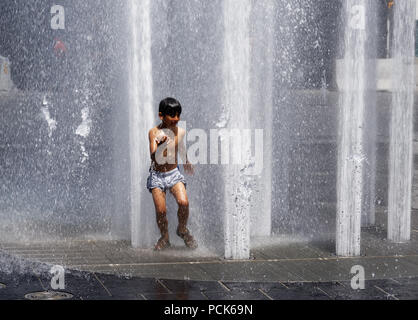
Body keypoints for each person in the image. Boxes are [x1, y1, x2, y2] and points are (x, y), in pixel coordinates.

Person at [147, 97, 197, 251]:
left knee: (184, 203)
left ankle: (182, 229)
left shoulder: (180, 131)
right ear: (161, 115)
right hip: (157, 176)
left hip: (174, 174)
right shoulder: (154, 133)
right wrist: (160, 145)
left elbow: (180, 146)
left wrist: (186, 160)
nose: (177, 119)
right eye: (172, 115)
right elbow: (153, 156)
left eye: (178, 115)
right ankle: (165, 237)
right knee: (161, 211)